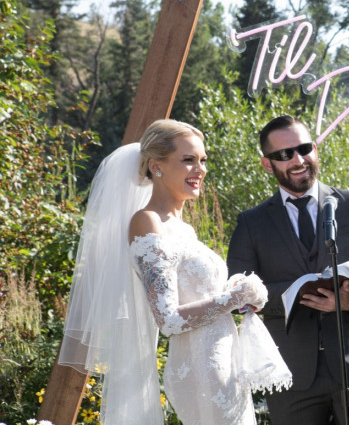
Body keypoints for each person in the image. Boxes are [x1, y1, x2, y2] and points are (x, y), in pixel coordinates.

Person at [59, 119, 291, 425]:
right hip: (199, 372)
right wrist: (234, 297)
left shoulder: (183, 228)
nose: (200, 169)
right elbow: (168, 319)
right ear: (156, 166)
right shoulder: (147, 223)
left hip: (224, 365)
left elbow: (198, 295)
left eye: (203, 160)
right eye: (188, 160)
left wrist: (237, 294)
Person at [226, 115, 349, 425]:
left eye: (304, 148)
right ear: (268, 164)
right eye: (284, 154)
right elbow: (237, 290)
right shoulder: (250, 223)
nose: (298, 159)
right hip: (290, 373)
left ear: (315, 150)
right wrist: (291, 293)